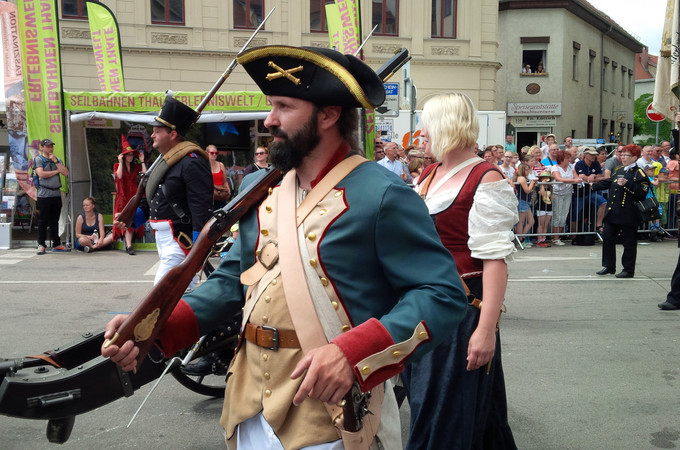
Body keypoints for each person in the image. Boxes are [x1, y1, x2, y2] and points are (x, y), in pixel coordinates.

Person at [102, 45, 467, 449]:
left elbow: (442, 295)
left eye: (284, 106)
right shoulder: (258, 189)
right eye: (270, 105)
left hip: (327, 411)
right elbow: (231, 282)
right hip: (248, 397)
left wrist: (353, 354)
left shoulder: (383, 194)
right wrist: (153, 326)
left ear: (328, 116)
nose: (268, 119)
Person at [408, 92, 518, 449]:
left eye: (425, 127)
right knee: (460, 411)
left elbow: (494, 261)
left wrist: (486, 331)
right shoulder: (429, 172)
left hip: (460, 311)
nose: (420, 134)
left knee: (442, 417)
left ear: (445, 128)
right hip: (419, 305)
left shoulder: (485, 177)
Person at [133, 94, 213, 291]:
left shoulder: (192, 160)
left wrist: (198, 246)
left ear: (173, 134)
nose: (152, 135)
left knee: (163, 292)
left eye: (157, 131)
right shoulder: (164, 160)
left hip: (181, 239)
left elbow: (201, 205)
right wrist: (135, 216)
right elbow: (156, 194)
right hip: (164, 239)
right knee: (178, 293)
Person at [592, 144, 650, 278]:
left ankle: (628, 269)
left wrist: (628, 184)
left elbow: (643, 192)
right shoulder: (619, 170)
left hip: (629, 213)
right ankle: (609, 265)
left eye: (626, 155)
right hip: (614, 211)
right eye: (622, 154)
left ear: (635, 157)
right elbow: (609, 182)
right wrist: (592, 186)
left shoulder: (639, 173)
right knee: (607, 238)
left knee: (628, 242)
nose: (623, 157)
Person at [34, 138, 69, 254]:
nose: (50, 148)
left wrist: (55, 161)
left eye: (51, 146)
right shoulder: (39, 159)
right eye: (48, 146)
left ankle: (56, 243)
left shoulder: (57, 160)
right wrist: (56, 171)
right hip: (44, 194)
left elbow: (65, 172)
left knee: (55, 220)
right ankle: (41, 244)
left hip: (56, 194)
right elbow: (41, 174)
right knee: (43, 220)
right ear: (42, 148)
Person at [113, 140, 146, 255]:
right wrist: (121, 162)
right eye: (128, 154)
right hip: (123, 195)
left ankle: (129, 245)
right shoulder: (117, 165)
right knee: (124, 219)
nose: (131, 157)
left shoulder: (136, 167)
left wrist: (142, 161)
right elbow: (119, 176)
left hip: (133, 194)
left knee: (131, 218)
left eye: (132, 154)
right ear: (124, 156)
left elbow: (144, 176)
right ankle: (128, 245)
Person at [571, 147, 607, 235]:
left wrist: (593, 176)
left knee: (603, 203)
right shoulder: (579, 164)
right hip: (579, 193)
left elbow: (598, 177)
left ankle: (598, 225)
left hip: (591, 192)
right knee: (576, 214)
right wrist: (589, 178)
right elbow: (581, 177)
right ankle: (573, 235)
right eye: (591, 154)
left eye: (594, 154)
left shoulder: (596, 163)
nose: (594, 156)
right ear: (586, 155)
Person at [549, 149, 581, 246]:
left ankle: (559, 236)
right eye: (567, 158)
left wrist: (574, 180)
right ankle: (555, 238)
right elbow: (558, 179)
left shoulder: (571, 166)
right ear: (562, 159)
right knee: (557, 215)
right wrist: (573, 181)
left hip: (568, 193)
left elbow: (576, 177)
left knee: (564, 215)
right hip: (557, 193)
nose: (569, 160)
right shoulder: (555, 168)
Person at [514, 163, 536, 248]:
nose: (528, 171)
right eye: (526, 170)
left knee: (531, 221)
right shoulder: (521, 178)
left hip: (525, 201)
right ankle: (520, 239)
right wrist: (532, 183)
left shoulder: (524, 178)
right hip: (521, 201)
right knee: (521, 221)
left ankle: (521, 236)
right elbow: (527, 190)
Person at [534, 170, 554, 247]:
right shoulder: (539, 186)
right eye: (544, 177)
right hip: (541, 207)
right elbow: (542, 193)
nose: (546, 179)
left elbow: (552, 197)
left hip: (549, 206)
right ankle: (539, 240)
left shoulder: (550, 187)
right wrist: (542, 184)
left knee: (546, 224)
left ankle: (544, 239)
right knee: (541, 224)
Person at [207, 144, 231, 209]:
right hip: (209, 198)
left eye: (216, 153)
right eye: (212, 153)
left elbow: (225, 181)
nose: (214, 154)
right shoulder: (204, 166)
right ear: (207, 153)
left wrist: (228, 192)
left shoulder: (221, 165)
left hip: (221, 196)